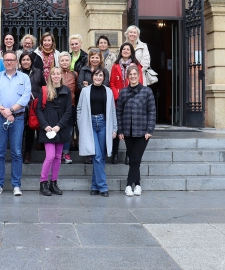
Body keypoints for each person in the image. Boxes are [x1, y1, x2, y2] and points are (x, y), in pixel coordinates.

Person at [0, 50, 32, 196]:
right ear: (3, 62)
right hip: (0, 118)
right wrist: (5, 112)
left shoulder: (24, 78)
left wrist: (11, 111)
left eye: (11, 60)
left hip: (18, 118)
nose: (9, 62)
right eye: (6, 60)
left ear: (16, 62)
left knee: (17, 152)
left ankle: (16, 185)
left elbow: (25, 98)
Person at [77, 68, 117, 197]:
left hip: (104, 124)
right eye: (96, 75)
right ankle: (103, 187)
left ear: (104, 77)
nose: (98, 77)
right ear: (92, 77)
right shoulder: (85, 91)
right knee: (97, 155)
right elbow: (79, 109)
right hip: (90, 124)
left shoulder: (109, 91)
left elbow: (112, 111)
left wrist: (114, 128)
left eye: (101, 75)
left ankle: (94, 186)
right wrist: (81, 125)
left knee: (101, 156)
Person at [117, 64, 155, 197]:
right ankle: (138, 185)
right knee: (133, 158)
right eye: (130, 75)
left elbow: (151, 111)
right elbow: (119, 112)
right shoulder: (123, 92)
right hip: (128, 131)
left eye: (135, 74)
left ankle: (128, 185)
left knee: (135, 159)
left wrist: (150, 129)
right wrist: (120, 130)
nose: (133, 77)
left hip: (142, 131)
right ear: (127, 77)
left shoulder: (146, 91)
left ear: (139, 76)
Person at [36, 67, 73, 196]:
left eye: (58, 74)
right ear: (50, 76)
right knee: (50, 156)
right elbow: (39, 110)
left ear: (61, 76)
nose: (56, 76)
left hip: (60, 128)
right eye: (54, 74)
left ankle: (54, 182)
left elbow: (68, 111)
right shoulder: (44, 90)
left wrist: (59, 126)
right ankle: (43, 183)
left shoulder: (66, 91)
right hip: (48, 129)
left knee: (58, 157)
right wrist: (45, 126)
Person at [109, 42, 143, 164]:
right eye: (123, 49)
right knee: (117, 126)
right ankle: (115, 153)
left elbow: (140, 82)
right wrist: (118, 96)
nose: (125, 51)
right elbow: (112, 83)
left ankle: (129, 154)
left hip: (132, 100)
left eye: (128, 49)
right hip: (118, 100)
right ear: (121, 51)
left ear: (131, 51)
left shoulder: (136, 65)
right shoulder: (115, 65)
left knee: (129, 127)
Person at [19, 52, 46, 164]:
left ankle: (28, 153)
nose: (26, 62)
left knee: (30, 129)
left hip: (33, 106)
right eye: (23, 60)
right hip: (19, 105)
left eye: (28, 60)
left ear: (31, 61)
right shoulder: (16, 73)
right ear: (20, 62)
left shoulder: (38, 72)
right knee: (20, 130)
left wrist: (40, 102)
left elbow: (44, 88)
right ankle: (18, 152)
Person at [57, 52, 77, 165]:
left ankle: (66, 152)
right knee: (58, 129)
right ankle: (58, 153)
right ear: (59, 62)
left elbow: (77, 91)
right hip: (57, 107)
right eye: (62, 60)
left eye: (66, 60)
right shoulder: (55, 73)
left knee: (68, 131)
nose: (64, 62)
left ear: (70, 62)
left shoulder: (74, 74)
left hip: (71, 106)